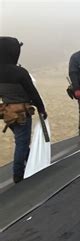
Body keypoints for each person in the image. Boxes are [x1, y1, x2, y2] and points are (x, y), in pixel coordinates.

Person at [0, 37, 48, 183]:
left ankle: (30, 164)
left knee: (21, 140)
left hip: (7, 113)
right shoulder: (19, 72)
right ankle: (18, 174)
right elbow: (33, 93)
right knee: (22, 142)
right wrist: (41, 108)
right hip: (21, 112)